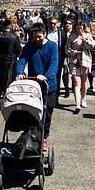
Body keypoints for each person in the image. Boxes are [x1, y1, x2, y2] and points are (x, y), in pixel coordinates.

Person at [15, 23, 58, 151]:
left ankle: (44, 137)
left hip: (48, 85)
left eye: (39, 36)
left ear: (44, 34)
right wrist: (20, 73)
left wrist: (46, 76)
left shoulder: (52, 46)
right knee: (32, 112)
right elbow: (22, 60)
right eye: (34, 37)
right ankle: (32, 135)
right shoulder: (29, 46)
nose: (37, 39)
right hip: (33, 86)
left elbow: (54, 63)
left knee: (47, 113)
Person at [0, 19, 21, 115]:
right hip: (11, 61)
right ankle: (9, 104)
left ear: (2, 27)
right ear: (10, 27)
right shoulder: (14, 37)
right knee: (10, 83)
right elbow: (18, 50)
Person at [66, 20, 95, 113]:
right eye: (77, 28)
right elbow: (66, 48)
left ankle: (83, 99)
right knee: (76, 82)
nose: (79, 29)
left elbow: (91, 46)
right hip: (74, 61)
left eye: (81, 27)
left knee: (84, 81)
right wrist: (72, 52)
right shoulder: (71, 36)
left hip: (85, 60)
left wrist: (84, 38)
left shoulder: (87, 35)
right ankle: (77, 103)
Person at [46, 16, 70, 101]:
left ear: (57, 24)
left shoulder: (61, 32)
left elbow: (65, 45)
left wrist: (65, 56)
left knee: (57, 77)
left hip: (58, 57)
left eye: (54, 23)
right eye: (51, 23)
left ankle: (55, 98)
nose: (52, 25)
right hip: (46, 57)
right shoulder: (45, 31)